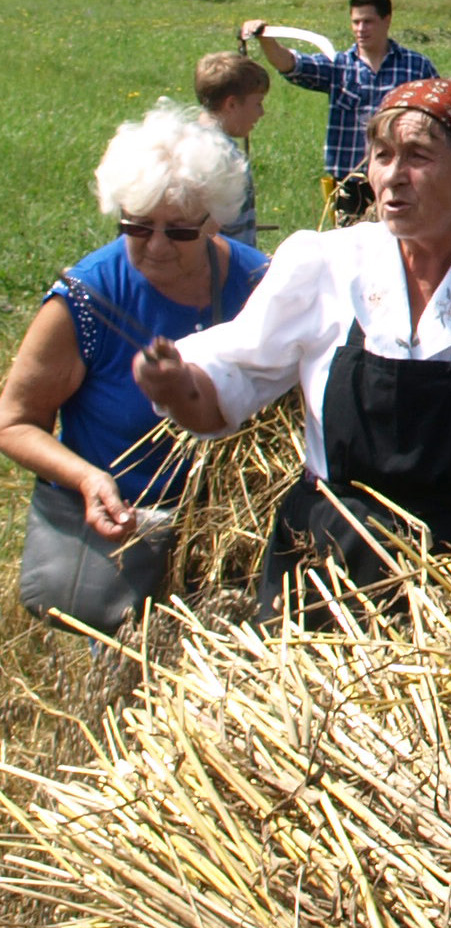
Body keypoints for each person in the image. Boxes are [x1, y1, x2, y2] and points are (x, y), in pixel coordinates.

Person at [134, 78, 451, 621]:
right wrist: (176, 385)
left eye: (419, 156)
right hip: (327, 568)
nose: (394, 175)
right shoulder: (323, 265)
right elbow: (220, 393)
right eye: (382, 155)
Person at [0, 101, 269, 634]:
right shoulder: (84, 300)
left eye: (180, 231)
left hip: (228, 530)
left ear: (214, 218)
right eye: (137, 226)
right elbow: (13, 422)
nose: (156, 246)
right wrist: (86, 478)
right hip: (120, 527)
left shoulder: (259, 285)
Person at [241, 0, 438, 225]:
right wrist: (265, 36)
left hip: (398, 178)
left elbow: (437, 119)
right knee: (348, 253)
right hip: (348, 182)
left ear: (387, 21)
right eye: (355, 22)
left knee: (398, 246)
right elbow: (290, 64)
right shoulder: (339, 66)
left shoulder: (416, 67)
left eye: (368, 22)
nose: (360, 29)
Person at [194, 51, 270, 248]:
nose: (261, 112)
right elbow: (207, 231)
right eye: (258, 103)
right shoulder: (222, 158)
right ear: (232, 104)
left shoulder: (188, 143)